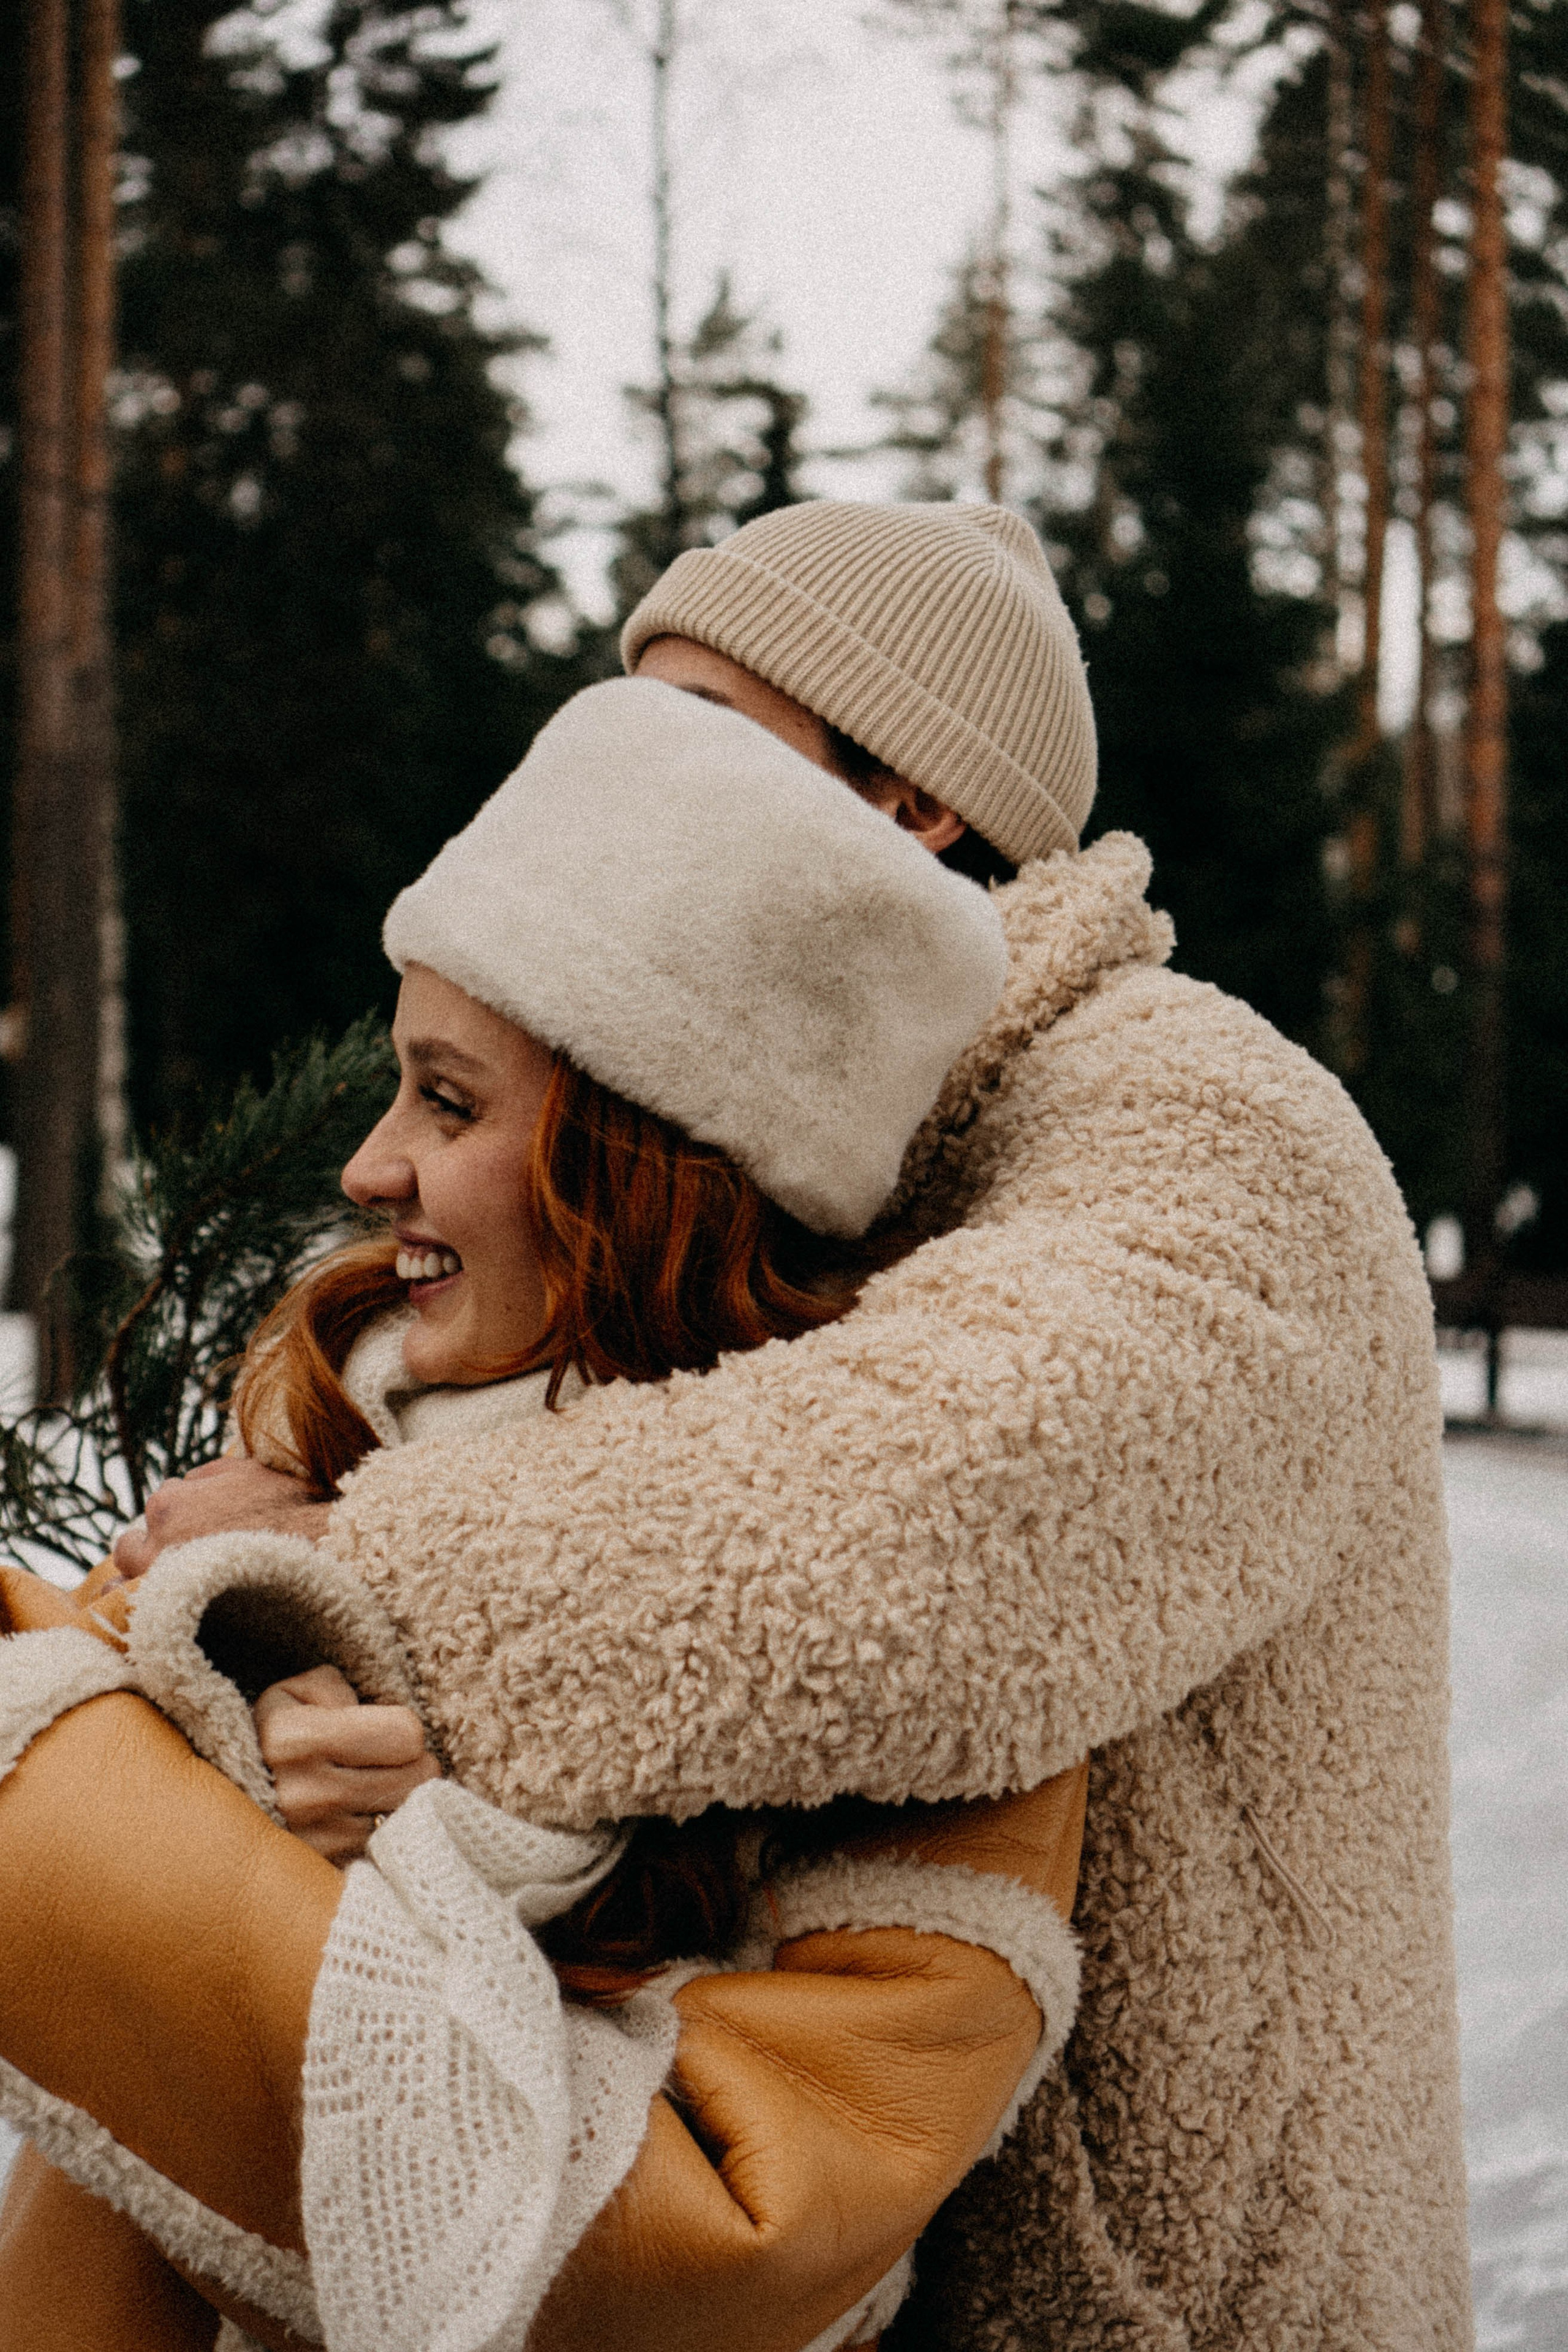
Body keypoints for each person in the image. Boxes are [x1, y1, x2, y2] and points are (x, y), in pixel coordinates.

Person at [0, 500, 1470, 2350]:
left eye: (689, 722)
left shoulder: (1203, 1118)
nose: (624, 780)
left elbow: (931, 1526)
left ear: (915, 798)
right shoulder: (755, 1108)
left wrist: (329, 1579)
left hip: (1149, 2302)